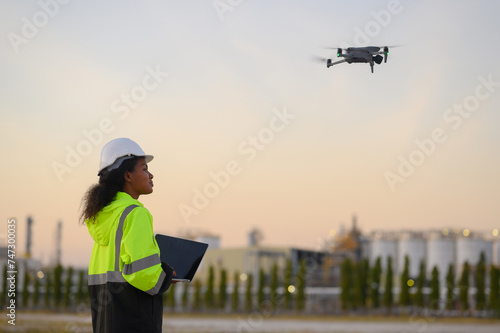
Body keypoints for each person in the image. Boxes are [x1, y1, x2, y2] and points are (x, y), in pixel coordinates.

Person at [80, 138, 174, 333]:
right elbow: (144, 274)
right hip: (134, 322)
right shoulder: (135, 213)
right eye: (144, 168)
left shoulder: (105, 217)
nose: (151, 174)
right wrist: (166, 274)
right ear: (128, 176)